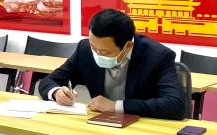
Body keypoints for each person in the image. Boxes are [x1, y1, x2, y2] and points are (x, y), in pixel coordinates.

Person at [37, 8, 186, 120]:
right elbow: (50, 81)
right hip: (99, 123)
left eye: (105, 52)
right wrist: (57, 92)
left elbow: (175, 105)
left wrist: (115, 106)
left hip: (140, 127)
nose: (97, 54)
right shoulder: (85, 49)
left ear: (128, 46)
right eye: (94, 48)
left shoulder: (157, 56)